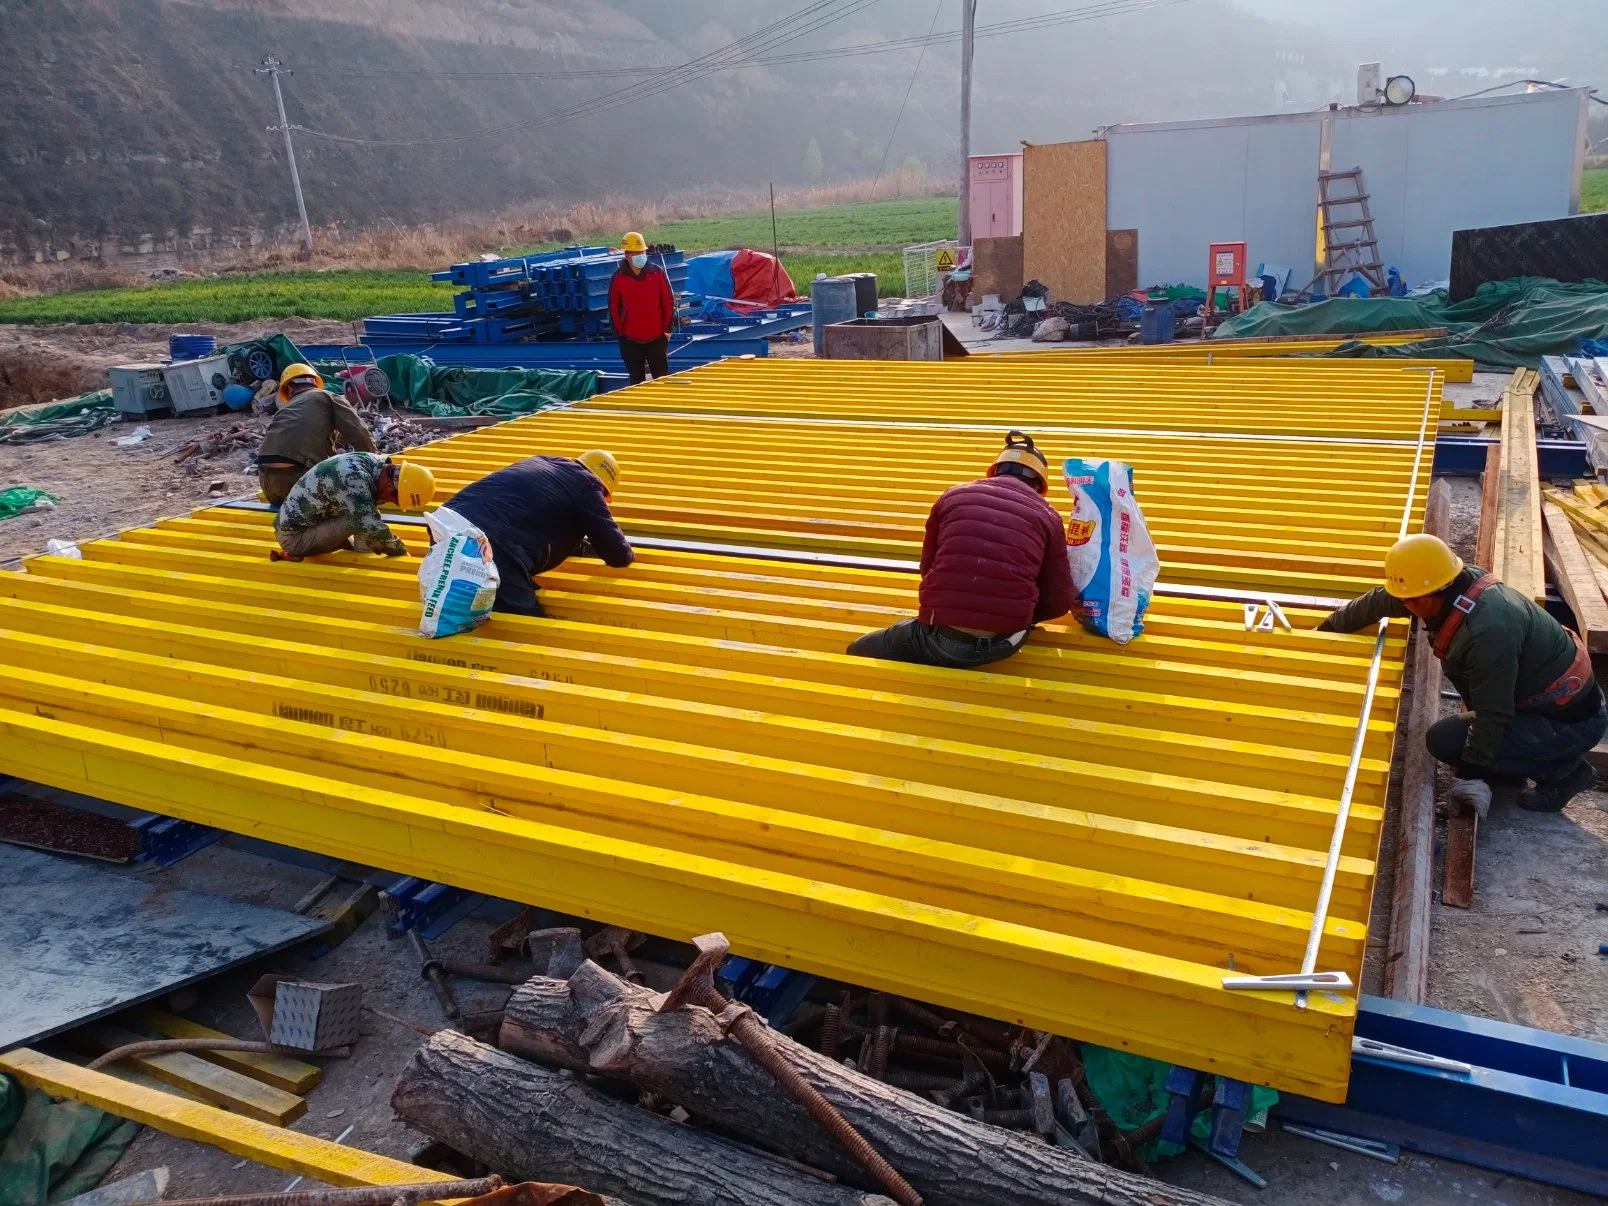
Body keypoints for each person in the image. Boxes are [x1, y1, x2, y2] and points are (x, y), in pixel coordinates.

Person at [1318, 533, 1606, 815]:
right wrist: (1328, 629)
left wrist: (1469, 776)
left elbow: (1494, 714)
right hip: (1542, 701)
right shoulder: (1450, 586)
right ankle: (1511, 760)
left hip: (1570, 721)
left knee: (1444, 741)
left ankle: (1565, 772)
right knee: (1469, 732)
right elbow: (1382, 600)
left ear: (1425, 597)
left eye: (1408, 601)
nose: (1403, 605)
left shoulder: (1488, 632)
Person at [847, 431, 1076, 670]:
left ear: (994, 470)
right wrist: (1018, 613)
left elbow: (928, 568)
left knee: (858, 649)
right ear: (1040, 485)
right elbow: (1058, 601)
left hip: (942, 640)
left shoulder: (953, 496)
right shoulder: (1048, 516)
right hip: (1006, 643)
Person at [440, 450, 634, 617]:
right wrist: (629, 554)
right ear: (605, 490)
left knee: (458, 603)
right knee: (524, 623)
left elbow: (533, 515)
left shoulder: (544, 462)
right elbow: (616, 552)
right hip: (489, 545)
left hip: (445, 525)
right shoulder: (588, 486)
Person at [271, 451, 435, 562]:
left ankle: (361, 552)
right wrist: (399, 550)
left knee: (365, 511)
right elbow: (369, 526)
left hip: (313, 522)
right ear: (391, 488)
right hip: (295, 537)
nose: (390, 502)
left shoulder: (373, 463)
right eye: (394, 500)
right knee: (363, 518)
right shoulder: (354, 479)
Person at [257, 363, 377, 505]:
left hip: (267, 484)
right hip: (297, 482)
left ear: (288, 389)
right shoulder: (328, 397)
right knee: (353, 498)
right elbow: (360, 434)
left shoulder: (284, 410)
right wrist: (375, 470)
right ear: (314, 382)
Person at [607, 232, 675, 385]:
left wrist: (667, 329)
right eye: (636, 253)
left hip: (657, 337)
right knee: (636, 381)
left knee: (662, 379)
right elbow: (613, 307)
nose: (640, 255)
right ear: (627, 255)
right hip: (630, 339)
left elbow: (668, 301)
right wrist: (619, 334)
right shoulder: (618, 278)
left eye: (642, 252)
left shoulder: (657, 273)